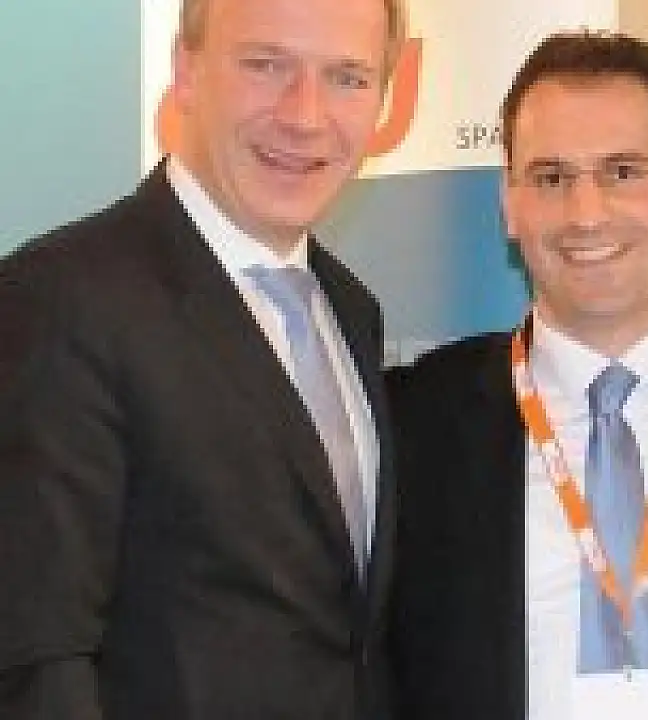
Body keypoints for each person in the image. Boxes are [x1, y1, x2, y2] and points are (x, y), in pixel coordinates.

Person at [0, 0, 404, 716]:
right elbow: (37, 654)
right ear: (186, 70)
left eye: (347, 77)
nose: (305, 114)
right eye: (266, 65)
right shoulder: (62, 299)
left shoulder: (353, 312)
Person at [389, 30, 648, 720]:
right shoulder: (412, 423)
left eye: (623, 172)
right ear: (509, 204)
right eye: (550, 178)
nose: (586, 213)